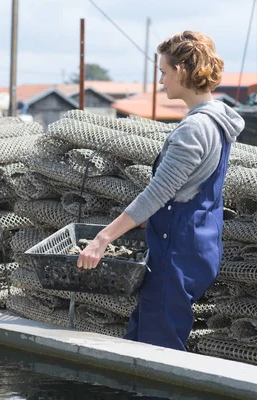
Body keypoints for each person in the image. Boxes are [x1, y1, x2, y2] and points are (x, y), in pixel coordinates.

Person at [76, 30, 245, 351]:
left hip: (175, 254)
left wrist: (102, 239)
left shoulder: (194, 128)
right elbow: (189, 187)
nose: (161, 81)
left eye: (164, 72)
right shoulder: (218, 120)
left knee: (157, 353)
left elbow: (157, 194)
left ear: (182, 70)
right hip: (198, 246)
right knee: (140, 340)